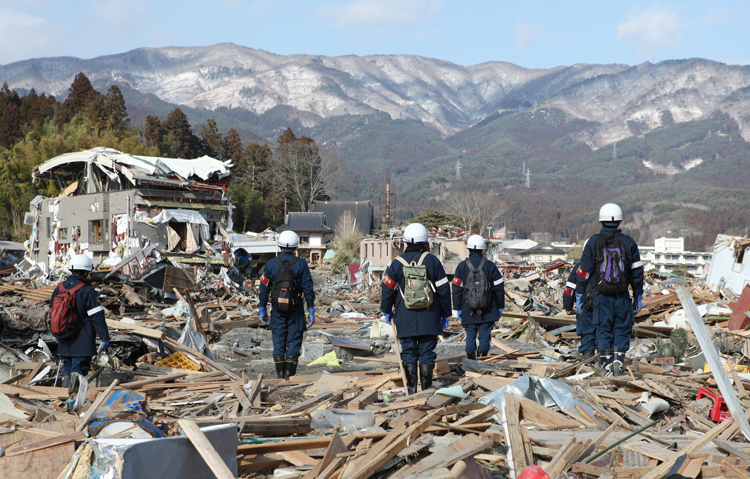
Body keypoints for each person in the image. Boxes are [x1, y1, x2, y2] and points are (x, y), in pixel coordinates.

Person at [381, 223, 452, 394]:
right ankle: (426, 390)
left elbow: (387, 289)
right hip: (430, 315)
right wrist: (445, 314)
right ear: (425, 241)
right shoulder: (433, 261)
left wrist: (387, 310)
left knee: (409, 353)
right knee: (427, 353)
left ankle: (411, 390)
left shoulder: (397, 263)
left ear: (405, 241)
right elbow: (443, 290)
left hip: (405, 316)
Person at [575, 203, 644, 376]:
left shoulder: (593, 242)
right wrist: (638, 295)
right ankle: (618, 363)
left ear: (601, 221)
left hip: (601, 296)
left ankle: (605, 367)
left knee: (603, 329)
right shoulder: (629, 243)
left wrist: (580, 293)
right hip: (622, 296)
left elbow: (583, 272)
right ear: (619, 220)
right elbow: (637, 273)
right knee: (621, 329)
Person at [258, 231, 316, 380]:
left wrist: (262, 308)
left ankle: (280, 377)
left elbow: (264, 288)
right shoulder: (302, 264)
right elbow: (308, 288)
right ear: (296, 246)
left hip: (277, 311)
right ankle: (290, 378)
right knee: (294, 342)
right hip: (296, 310)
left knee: (278, 342)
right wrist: (311, 308)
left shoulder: (271, 264)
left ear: (280, 245)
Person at [50, 254, 110, 387]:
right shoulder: (87, 290)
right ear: (86, 271)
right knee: (79, 368)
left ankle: (65, 396)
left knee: (67, 366)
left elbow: (52, 312)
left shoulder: (59, 288)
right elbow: (97, 316)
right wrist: (105, 337)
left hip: (63, 338)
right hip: (82, 340)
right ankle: (74, 399)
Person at [452, 235, 504, 360]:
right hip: (488, 308)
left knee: (470, 334)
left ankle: (471, 362)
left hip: (467, 308)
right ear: (483, 249)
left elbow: (456, 289)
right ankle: (482, 361)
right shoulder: (490, 265)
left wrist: (458, 308)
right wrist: (500, 306)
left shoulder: (462, 266)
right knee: (485, 334)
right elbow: (499, 287)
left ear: (468, 248)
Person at [563, 256, 596, 360]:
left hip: (585, 306)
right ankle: (605, 360)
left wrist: (568, 306)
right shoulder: (608, 267)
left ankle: (588, 359)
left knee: (587, 332)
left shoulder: (579, 267)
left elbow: (570, 288)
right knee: (604, 332)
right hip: (605, 306)